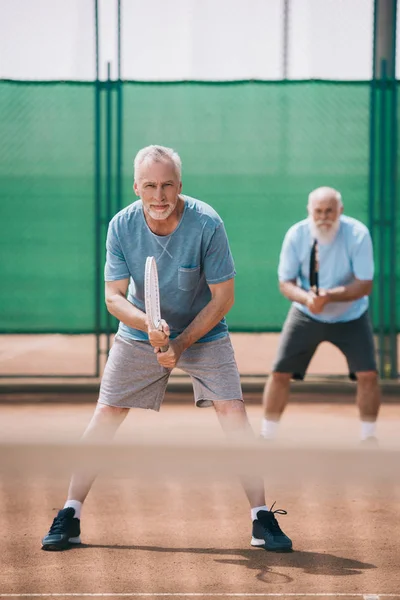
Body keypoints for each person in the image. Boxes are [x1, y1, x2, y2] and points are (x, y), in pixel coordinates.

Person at [41, 145, 292, 553]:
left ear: (180, 186)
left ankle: (260, 517)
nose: (159, 196)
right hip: (140, 332)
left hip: (203, 331)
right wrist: (147, 326)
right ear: (137, 186)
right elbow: (113, 298)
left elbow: (223, 299)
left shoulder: (207, 222)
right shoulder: (121, 226)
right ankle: (70, 514)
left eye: (168, 185)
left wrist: (179, 342)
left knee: (234, 413)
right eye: (151, 186)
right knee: (106, 413)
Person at [260, 187, 380, 444]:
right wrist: (307, 299)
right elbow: (285, 282)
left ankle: (368, 439)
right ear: (309, 211)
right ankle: (267, 438)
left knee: (368, 374)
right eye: (318, 211)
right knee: (280, 373)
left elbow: (364, 284)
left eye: (329, 211)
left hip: (352, 316)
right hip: (305, 315)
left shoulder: (358, 234)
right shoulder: (296, 235)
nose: (324, 217)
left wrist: (329, 296)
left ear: (341, 211)